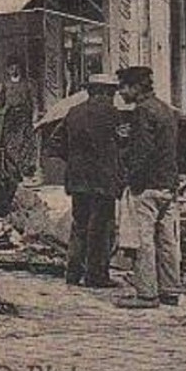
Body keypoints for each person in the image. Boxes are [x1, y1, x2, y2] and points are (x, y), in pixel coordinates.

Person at [115, 66, 182, 310]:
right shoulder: (166, 109)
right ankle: (171, 290)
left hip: (147, 186)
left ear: (135, 87)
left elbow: (142, 152)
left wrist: (129, 177)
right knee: (168, 241)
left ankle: (146, 294)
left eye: (123, 87)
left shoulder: (142, 112)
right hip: (168, 183)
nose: (121, 92)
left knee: (144, 241)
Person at [62, 74, 124, 289]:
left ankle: (72, 272)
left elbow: (56, 144)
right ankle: (96, 275)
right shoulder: (113, 115)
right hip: (103, 180)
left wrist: (75, 162)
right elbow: (123, 145)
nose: (113, 97)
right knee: (100, 228)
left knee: (79, 224)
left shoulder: (73, 112)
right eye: (112, 93)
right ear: (105, 92)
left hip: (78, 180)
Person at [0, 56, 39, 182]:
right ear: (7, 70)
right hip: (10, 117)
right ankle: (12, 172)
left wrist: (35, 118)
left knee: (24, 145)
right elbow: (0, 104)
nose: (14, 69)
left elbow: (35, 102)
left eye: (16, 67)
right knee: (9, 145)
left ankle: (25, 172)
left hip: (24, 116)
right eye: (11, 67)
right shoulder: (4, 84)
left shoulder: (28, 83)